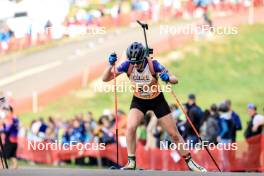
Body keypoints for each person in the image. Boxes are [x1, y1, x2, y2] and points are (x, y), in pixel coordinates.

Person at [102, 42, 206, 172]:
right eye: (133, 62)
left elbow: (175, 79)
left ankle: (191, 163)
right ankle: (131, 162)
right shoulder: (127, 65)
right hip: (139, 100)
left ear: (143, 58)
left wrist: (167, 77)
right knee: (130, 127)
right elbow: (105, 78)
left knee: (174, 134)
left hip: (157, 100)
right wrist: (110, 65)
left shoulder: (153, 64)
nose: (135, 65)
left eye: (138, 62)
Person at [244, 103, 264, 171]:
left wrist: (257, 124)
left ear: (254, 110)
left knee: (253, 156)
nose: (249, 112)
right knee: (253, 156)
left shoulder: (257, 117)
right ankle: (255, 169)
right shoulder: (253, 117)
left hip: (256, 142)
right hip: (252, 142)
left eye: (251, 110)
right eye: (248, 110)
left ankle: (253, 169)